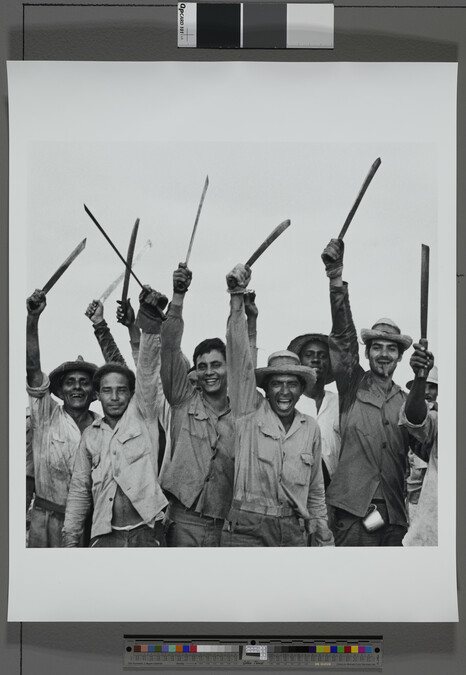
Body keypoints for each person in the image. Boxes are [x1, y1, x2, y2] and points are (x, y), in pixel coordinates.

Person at [223, 263, 334, 547]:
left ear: (301, 389)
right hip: (247, 527)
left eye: (292, 384)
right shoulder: (249, 412)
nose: (284, 391)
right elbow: (239, 360)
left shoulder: (309, 427)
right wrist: (237, 299)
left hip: (293, 530)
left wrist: (323, 536)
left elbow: (316, 492)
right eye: (277, 384)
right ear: (267, 388)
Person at [321, 238, 413, 546]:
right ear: (368, 353)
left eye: (391, 349)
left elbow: (429, 447)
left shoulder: (405, 402)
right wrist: (336, 278)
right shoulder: (352, 383)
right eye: (377, 348)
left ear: (400, 357)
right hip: (352, 516)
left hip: (395, 519)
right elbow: (343, 336)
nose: (384, 355)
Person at [63, 287, 168, 547]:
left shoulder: (143, 415)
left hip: (147, 533)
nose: (115, 396)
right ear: (97, 395)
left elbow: (146, 369)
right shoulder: (90, 436)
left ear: (132, 394)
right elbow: (79, 492)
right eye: (107, 391)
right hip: (105, 536)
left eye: (122, 390)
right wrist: (70, 541)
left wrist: (150, 321)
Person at [160, 263, 256, 547]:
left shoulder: (243, 411)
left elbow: (243, 353)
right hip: (182, 520)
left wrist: (237, 300)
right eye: (202, 366)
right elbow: (169, 347)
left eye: (216, 364)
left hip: (226, 524)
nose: (209, 372)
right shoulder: (181, 399)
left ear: (229, 368)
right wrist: (178, 297)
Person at [26, 289, 99, 547]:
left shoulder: (103, 426)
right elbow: (33, 370)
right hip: (46, 524)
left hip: (90, 526)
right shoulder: (46, 415)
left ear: (95, 392)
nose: (77, 388)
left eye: (84, 382)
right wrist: (32, 319)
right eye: (70, 383)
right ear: (60, 390)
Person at [288, 333, 340, 488]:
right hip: (295, 489)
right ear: (300, 362)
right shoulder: (290, 403)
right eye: (309, 355)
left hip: (333, 492)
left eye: (322, 355)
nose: (316, 359)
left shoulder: (340, 402)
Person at [400, 346, 438, 546]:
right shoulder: (409, 413)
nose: (427, 391)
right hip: (411, 500)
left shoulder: (441, 417)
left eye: (433, 386)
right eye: (424, 385)